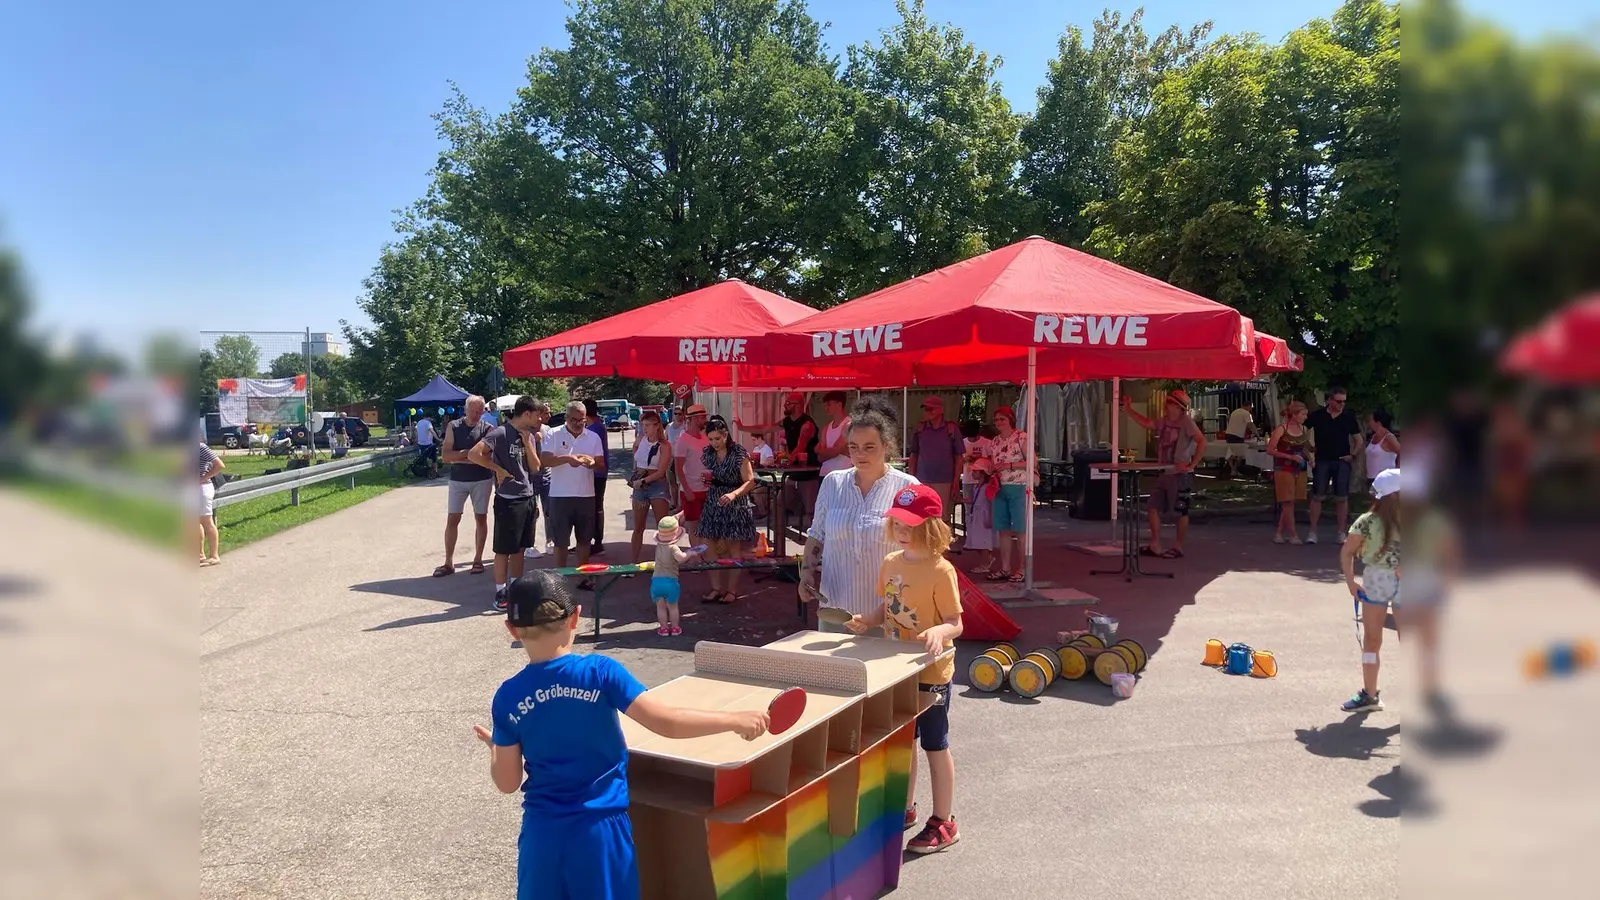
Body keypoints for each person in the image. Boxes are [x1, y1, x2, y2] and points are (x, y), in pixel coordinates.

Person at [472, 572, 768, 900]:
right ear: (575, 617)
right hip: (602, 832)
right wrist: (733, 719)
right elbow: (666, 722)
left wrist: (496, 749)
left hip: (542, 836)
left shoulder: (508, 697)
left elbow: (507, 782)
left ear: (512, 630)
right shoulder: (600, 672)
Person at [846, 483, 963, 853]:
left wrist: (938, 632)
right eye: (897, 522)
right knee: (902, 742)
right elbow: (888, 608)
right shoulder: (891, 563)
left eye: (910, 524)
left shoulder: (942, 571)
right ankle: (906, 807)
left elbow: (955, 623)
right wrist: (867, 619)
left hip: (931, 674)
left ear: (931, 527)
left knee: (934, 744)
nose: (901, 530)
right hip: (895, 671)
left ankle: (944, 821)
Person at [800, 397, 919, 630]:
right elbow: (817, 535)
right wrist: (806, 573)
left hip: (887, 615)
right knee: (833, 667)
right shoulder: (833, 483)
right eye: (853, 447)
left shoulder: (907, 488)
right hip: (835, 610)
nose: (860, 454)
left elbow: (921, 549)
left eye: (869, 447)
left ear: (886, 445)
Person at [467, 396, 544, 611]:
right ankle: (501, 591)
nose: (540, 419)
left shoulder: (530, 436)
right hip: (508, 500)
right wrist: (498, 470)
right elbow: (474, 454)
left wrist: (529, 443)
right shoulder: (500, 433)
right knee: (503, 549)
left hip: (528, 497)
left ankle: (516, 588)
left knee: (520, 547)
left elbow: (536, 467)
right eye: (537, 415)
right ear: (527, 413)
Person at [1340, 467, 1401, 713]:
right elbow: (1346, 552)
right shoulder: (1367, 521)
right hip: (1375, 581)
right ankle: (1370, 695)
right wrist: (1351, 582)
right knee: (1372, 641)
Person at [1122, 389, 1207, 559]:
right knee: (1152, 506)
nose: (1166, 406)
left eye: (1170, 403)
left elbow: (1202, 441)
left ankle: (1178, 546)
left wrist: (1192, 464)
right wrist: (1129, 410)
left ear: (1179, 408)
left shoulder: (1186, 422)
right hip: (1164, 472)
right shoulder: (1165, 420)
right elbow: (1148, 423)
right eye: (1167, 402)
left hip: (1180, 475)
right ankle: (1155, 544)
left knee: (1181, 512)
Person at [696, 415, 758, 604]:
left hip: (735, 501)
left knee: (733, 548)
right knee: (707, 542)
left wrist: (733, 494)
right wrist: (708, 480)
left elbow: (750, 481)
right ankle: (716, 587)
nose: (714, 443)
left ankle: (731, 590)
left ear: (725, 435)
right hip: (715, 499)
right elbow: (714, 474)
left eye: (718, 438)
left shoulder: (738, 452)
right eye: (711, 439)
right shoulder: (708, 453)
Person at [540, 401, 605, 577]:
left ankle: (583, 577)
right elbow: (545, 460)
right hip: (560, 496)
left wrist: (592, 464)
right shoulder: (553, 434)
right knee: (561, 542)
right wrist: (568, 459)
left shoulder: (593, 437)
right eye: (574, 419)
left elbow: (601, 465)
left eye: (582, 420)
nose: (578, 423)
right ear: (566, 418)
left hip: (586, 495)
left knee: (584, 540)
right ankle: (560, 578)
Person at [736, 391, 819, 527]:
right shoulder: (786, 421)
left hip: (808, 472)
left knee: (811, 511)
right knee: (778, 505)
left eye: (788, 403)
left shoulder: (807, 424)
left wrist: (786, 462)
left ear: (798, 405)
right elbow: (765, 429)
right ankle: (779, 543)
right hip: (794, 473)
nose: (785, 406)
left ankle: (817, 543)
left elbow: (800, 447)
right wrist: (742, 427)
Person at [436, 395, 494, 577]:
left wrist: (460, 456)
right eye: (473, 410)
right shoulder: (454, 426)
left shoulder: (488, 428)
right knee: (453, 518)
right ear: (466, 409)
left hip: (482, 479)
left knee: (481, 518)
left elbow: (488, 458)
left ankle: (478, 560)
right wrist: (470, 454)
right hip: (457, 480)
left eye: (480, 411)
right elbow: (445, 456)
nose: (477, 414)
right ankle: (448, 562)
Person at [1306, 386, 1362, 544]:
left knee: (1342, 497)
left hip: (1342, 460)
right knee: (1317, 496)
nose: (1342, 404)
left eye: (1344, 401)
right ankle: (1312, 532)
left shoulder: (1348, 417)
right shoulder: (1318, 416)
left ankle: (1341, 532)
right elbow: (1301, 432)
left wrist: (1353, 455)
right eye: (1338, 401)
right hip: (1322, 459)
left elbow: (1358, 439)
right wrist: (1309, 453)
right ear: (1330, 400)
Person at [984, 405, 1032, 581]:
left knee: (1020, 530)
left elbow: (1031, 462)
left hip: (1019, 486)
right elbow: (993, 462)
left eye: (1002, 419)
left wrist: (1009, 466)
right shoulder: (995, 441)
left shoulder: (1021, 437)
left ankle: (1023, 568)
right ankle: (1005, 567)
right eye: (996, 419)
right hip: (998, 486)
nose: (999, 422)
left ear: (1010, 419)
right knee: (1003, 530)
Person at [908, 396, 964, 529]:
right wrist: (912, 480)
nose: (926, 412)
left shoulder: (951, 429)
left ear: (940, 410)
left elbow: (959, 457)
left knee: (942, 517)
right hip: (922, 480)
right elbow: (913, 455)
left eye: (930, 409)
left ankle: (943, 549)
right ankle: (923, 548)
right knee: (921, 516)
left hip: (944, 480)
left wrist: (956, 481)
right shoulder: (919, 429)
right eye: (925, 409)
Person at [628, 411, 673, 565]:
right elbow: (636, 457)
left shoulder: (665, 446)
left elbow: (661, 472)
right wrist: (635, 476)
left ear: (657, 426)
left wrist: (643, 480)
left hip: (656, 486)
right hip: (639, 485)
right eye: (643, 425)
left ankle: (665, 562)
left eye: (647, 425)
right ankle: (633, 562)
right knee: (638, 526)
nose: (644, 428)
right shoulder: (641, 439)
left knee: (663, 527)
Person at [1268, 401, 1313, 544]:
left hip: (1300, 468)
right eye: (1303, 414)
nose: (1306, 417)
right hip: (1284, 468)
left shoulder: (1304, 429)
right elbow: (1270, 450)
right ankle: (1294, 535)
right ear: (1294, 415)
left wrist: (1311, 459)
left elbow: (1305, 448)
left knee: (1292, 501)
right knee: (1288, 502)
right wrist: (1289, 456)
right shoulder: (1281, 429)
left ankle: (1279, 534)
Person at [648, 515, 701, 636]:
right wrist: (690, 553)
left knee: (660, 607)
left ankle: (664, 628)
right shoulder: (673, 547)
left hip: (656, 582)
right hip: (670, 581)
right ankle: (675, 627)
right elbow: (681, 559)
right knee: (673, 607)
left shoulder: (659, 546)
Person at [672, 404, 711, 543]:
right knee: (694, 526)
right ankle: (696, 557)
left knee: (706, 525)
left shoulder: (705, 437)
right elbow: (678, 468)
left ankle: (704, 555)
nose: (705, 420)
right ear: (694, 419)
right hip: (692, 489)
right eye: (702, 417)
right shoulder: (683, 440)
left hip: (707, 488)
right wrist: (687, 490)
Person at [581, 399, 612, 556]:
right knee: (592, 508)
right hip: (595, 473)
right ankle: (588, 541)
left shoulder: (595, 428)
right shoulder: (596, 426)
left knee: (595, 508)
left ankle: (597, 542)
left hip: (597, 473)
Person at [962, 457, 997, 571]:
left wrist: (991, 517)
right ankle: (987, 560)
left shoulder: (987, 487)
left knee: (983, 542)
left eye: (975, 471)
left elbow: (991, 502)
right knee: (976, 541)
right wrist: (960, 499)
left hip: (983, 516)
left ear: (983, 473)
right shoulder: (976, 486)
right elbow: (973, 500)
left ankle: (985, 564)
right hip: (976, 516)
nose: (972, 473)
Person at [815, 391, 852, 479]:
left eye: (829, 405)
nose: (826, 408)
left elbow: (834, 451)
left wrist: (819, 450)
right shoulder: (826, 428)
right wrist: (840, 451)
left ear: (839, 405)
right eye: (825, 405)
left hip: (842, 474)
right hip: (825, 474)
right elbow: (820, 458)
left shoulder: (849, 424)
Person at [198, 440, 224, 567]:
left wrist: (202, 479)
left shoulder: (201, 447)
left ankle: (214, 555)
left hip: (202, 488)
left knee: (206, 521)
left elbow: (219, 465)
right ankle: (200, 554)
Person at [1365, 409, 1401, 484]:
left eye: (1370, 420)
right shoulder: (1373, 437)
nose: (1368, 422)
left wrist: (1396, 472)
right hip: (1371, 478)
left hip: (1385, 479)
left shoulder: (1389, 438)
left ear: (1378, 423)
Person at [1223, 404, 1255, 476]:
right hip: (1238, 435)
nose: (1251, 410)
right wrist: (1257, 434)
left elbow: (1228, 420)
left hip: (1228, 434)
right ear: (1248, 406)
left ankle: (1233, 469)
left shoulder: (1234, 412)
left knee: (1230, 452)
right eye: (1251, 408)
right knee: (1239, 453)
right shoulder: (1247, 413)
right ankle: (1234, 469)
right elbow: (1251, 424)